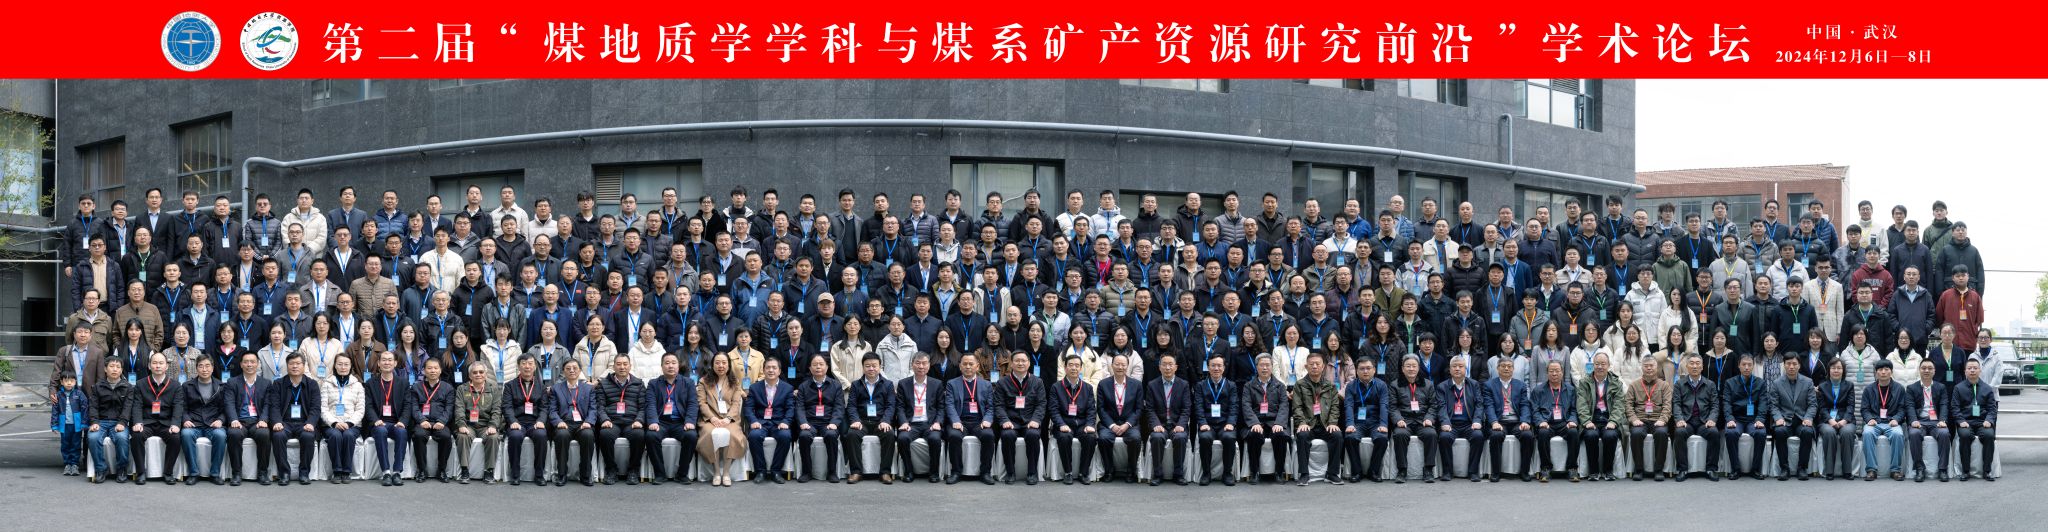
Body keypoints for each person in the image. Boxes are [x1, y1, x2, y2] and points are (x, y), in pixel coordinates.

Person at [127, 351, 184, 485]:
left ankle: (168, 473)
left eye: (161, 363)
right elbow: (137, 405)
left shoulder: (175, 385)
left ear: (166, 366)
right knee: (136, 436)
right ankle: (141, 472)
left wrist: (175, 424)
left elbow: (178, 406)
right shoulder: (140, 384)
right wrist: (138, 422)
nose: (158, 366)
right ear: (149, 365)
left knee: (175, 438)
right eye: (154, 363)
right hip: (147, 422)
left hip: (166, 423)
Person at [642, 352, 699, 485]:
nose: (670, 366)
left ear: (678, 366)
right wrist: (653, 421)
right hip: (661, 422)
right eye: (667, 363)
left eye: (673, 363)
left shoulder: (688, 383)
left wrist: (689, 421)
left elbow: (693, 404)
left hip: (680, 422)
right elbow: (650, 404)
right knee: (651, 436)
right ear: (662, 366)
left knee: (691, 436)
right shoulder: (654, 383)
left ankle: (682, 474)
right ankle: (660, 474)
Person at [266, 353, 321, 485]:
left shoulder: (312, 384)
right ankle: (284, 473)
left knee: (308, 436)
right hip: (285, 423)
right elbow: (274, 407)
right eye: (291, 364)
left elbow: (315, 408)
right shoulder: (278, 384)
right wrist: (277, 422)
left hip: (304, 423)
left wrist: (310, 423)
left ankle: (304, 472)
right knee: (278, 435)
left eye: (298, 363)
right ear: (287, 366)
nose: (294, 366)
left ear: (304, 366)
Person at [842, 353, 898, 484]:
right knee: (852, 434)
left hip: (880, 421)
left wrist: (886, 421)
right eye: (867, 366)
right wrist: (855, 420)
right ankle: (856, 472)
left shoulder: (888, 384)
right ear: (862, 367)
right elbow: (851, 406)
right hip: (862, 421)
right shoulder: (856, 384)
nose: (871, 368)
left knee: (889, 434)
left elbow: (891, 405)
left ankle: (885, 472)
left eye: (874, 365)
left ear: (880, 367)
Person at [360, 350, 412, 486]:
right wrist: (375, 420)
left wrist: (402, 421)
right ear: (378, 363)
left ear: (395, 363)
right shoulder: (371, 383)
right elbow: (368, 406)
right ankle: (386, 472)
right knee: (381, 431)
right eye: (383, 360)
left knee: (402, 432)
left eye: (390, 360)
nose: (387, 362)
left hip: (396, 422)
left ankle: (397, 472)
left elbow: (407, 405)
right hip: (379, 422)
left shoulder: (403, 383)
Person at [593, 353, 646, 485]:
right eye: (619, 364)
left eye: (625, 364)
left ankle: (633, 470)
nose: (622, 367)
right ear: (613, 367)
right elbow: (599, 406)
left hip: (632, 422)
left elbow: (643, 407)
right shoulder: (604, 384)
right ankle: (611, 469)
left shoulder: (639, 384)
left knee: (639, 435)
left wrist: (639, 420)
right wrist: (604, 419)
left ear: (630, 366)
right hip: (612, 421)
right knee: (605, 434)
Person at [1432, 356, 1486, 482]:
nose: (1457, 369)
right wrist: (1445, 422)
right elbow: (1441, 407)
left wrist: (1477, 421)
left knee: (1478, 436)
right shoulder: (1442, 387)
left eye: (1461, 366)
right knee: (1444, 437)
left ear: (1466, 369)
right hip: (1451, 424)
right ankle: (1447, 471)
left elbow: (1479, 404)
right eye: (1454, 366)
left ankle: (1473, 471)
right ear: (1449, 369)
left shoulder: (1473, 384)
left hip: (1469, 424)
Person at [177, 355, 228, 485]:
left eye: (207, 366)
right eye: (201, 366)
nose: (204, 369)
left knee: (221, 435)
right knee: (186, 434)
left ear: (212, 368)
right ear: (196, 369)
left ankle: (215, 473)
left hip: (213, 423)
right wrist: (185, 419)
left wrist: (220, 420)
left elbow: (225, 408)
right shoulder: (187, 386)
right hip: (194, 423)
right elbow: (182, 407)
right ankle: (193, 473)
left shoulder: (221, 386)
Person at [792, 353, 844, 483]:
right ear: (810, 368)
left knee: (831, 435)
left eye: (821, 364)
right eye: (815, 365)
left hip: (828, 422)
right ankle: (806, 472)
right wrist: (803, 422)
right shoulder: (804, 386)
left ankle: (832, 472)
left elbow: (839, 407)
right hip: (810, 422)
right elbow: (799, 407)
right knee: (804, 436)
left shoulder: (836, 385)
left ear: (827, 367)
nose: (818, 367)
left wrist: (834, 423)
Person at [896, 353, 947, 483]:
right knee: (902, 438)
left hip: (930, 424)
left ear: (929, 366)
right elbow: (900, 407)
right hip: (911, 424)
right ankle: (908, 471)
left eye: (924, 363)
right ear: (912, 365)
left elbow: (941, 407)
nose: (921, 366)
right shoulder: (903, 384)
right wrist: (903, 422)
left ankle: (934, 472)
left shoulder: (937, 384)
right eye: (918, 363)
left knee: (935, 438)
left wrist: (938, 422)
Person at [546, 357, 596, 486]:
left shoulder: (588, 388)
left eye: (575, 368)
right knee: (561, 435)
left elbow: (593, 409)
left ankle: (585, 475)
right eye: (568, 368)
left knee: (588, 435)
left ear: (580, 371)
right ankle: (562, 474)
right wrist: (558, 422)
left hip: (582, 423)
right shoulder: (556, 388)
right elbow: (552, 410)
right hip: (564, 423)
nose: (572, 371)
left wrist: (588, 422)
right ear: (563, 371)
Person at [1239, 353, 1288, 485]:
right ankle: (1254, 472)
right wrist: (1254, 423)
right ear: (1257, 367)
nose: (1265, 368)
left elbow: (1284, 406)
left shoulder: (1280, 386)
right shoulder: (1249, 386)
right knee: (1254, 435)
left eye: (1267, 365)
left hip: (1274, 422)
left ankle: (1279, 472)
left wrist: (1279, 423)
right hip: (1257, 421)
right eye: (1262, 365)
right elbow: (1246, 406)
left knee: (1280, 435)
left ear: (1272, 367)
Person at [223, 351, 271, 485]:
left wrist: (263, 419)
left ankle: (263, 473)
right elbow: (229, 403)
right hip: (240, 421)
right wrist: (233, 419)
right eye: (246, 362)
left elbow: (268, 404)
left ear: (258, 364)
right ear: (241, 364)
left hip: (257, 422)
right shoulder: (232, 382)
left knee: (264, 434)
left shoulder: (266, 383)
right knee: (233, 434)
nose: (249, 364)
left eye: (252, 362)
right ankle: (236, 473)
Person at [1095, 353, 1144, 484]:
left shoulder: (1136, 385)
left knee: (1135, 438)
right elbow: (1101, 408)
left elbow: (1139, 409)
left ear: (1128, 366)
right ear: (1112, 365)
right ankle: (1109, 470)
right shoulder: (1103, 384)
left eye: (1123, 364)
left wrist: (1127, 424)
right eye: (1117, 364)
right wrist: (1112, 425)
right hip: (1109, 423)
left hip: (1129, 424)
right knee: (1103, 438)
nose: (1120, 367)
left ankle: (1131, 471)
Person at [1574, 353, 1623, 481]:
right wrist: (1586, 421)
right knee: (1590, 435)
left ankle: (1608, 471)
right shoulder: (1584, 382)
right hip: (1592, 418)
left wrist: (1613, 421)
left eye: (1603, 364)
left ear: (1609, 365)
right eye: (1597, 364)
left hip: (1608, 418)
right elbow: (1581, 404)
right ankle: (1593, 471)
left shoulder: (1616, 383)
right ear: (1593, 365)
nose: (1600, 367)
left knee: (1610, 435)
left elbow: (1619, 405)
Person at [1529, 359, 1580, 482]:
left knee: (1573, 432)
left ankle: (1572, 468)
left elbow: (1574, 409)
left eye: (1557, 370)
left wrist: (1572, 420)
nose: (1554, 373)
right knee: (1542, 433)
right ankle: (1545, 468)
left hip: (1564, 422)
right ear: (1547, 373)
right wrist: (1541, 421)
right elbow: (1535, 410)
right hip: (1547, 423)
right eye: (1551, 371)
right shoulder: (1538, 390)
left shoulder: (1571, 390)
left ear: (1562, 372)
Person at [501, 354, 548, 486]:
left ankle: (539, 475)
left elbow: (544, 407)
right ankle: (515, 474)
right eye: (524, 363)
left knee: (541, 435)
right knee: (515, 436)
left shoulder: (541, 386)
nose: (527, 366)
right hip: (517, 421)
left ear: (535, 366)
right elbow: (507, 406)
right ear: (518, 366)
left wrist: (541, 421)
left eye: (530, 363)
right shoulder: (510, 386)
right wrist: (512, 421)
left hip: (535, 422)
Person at [1145, 353, 1192, 486]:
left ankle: (1178, 474)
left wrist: (1181, 424)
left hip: (1177, 424)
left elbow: (1186, 408)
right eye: (1164, 364)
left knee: (1180, 437)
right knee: (1156, 437)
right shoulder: (1152, 385)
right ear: (1159, 367)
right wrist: (1155, 424)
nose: (1167, 368)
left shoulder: (1183, 385)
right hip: (1160, 424)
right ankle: (1158, 474)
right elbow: (1150, 409)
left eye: (1170, 364)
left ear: (1176, 367)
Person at [1389, 355, 1437, 482]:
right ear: (1402, 369)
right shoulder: (1395, 385)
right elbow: (1392, 406)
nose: (1411, 369)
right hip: (1404, 420)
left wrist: (1429, 418)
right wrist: (1398, 419)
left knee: (1431, 434)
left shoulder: (1428, 384)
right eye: (1408, 366)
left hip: (1422, 420)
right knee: (1400, 434)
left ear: (1418, 368)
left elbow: (1433, 405)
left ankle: (1428, 469)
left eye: (1414, 366)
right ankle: (1402, 470)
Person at [743, 356, 791, 483]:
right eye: (768, 367)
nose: (771, 370)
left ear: (779, 371)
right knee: (754, 436)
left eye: (774, 368)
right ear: (763, 370)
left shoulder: (787, 388)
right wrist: (753, 421)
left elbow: (790, 408)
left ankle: (776, 471)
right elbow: (748, 408)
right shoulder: (754, 388)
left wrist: (785, 421)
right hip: (761, 422)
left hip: (779, 423)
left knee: (785, 436)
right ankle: (760, 471)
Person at [1719, 356, 1768, 480]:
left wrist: (1760, 419)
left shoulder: (1760, 383)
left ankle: (1755, 469)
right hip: (1736, 419)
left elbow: (1763, 403)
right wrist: (1730, 419)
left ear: (1753, 366)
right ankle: (1735, 469)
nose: (1746, 367)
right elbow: (1726, 403)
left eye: (1749, 365)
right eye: (1744, 364)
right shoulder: (1730, 383)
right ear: (1739, 366)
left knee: (1761, 433)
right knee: (1731, 433)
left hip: (1753, 419)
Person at [1191, 355, 1238, 485]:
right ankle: (1206, 473)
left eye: (1219, 365)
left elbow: (1234, 407)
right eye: (1213, 365)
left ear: (1224, 367)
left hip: (1225, 424)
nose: (1216, 368)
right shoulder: (1201, 385)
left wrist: (1230, 423)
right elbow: (1198, 406)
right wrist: (1202, 423)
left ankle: (1227, 473)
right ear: (1208, 367)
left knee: (1229, 437)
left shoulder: (1231, 385)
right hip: (1208, 424)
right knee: (1205, 437)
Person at [1769, 354, 1817, 481]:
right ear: (1784, 365)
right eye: (1788, 364)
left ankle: (1802, 468)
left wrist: (1808, 418)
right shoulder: (1777, 383)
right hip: (1785, 420)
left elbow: (1812, 404)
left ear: (1799, 365)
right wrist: (1778, 418)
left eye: (1794, 364)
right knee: (1779, 431)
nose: (1791, 367)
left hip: (1802, 420)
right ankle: (1784, 468)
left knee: (1807, 432)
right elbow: (1773, 405)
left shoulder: (1808, 382)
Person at [452, 361, 502, 484]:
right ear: (470, 375)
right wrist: (461, 424)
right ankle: (464, 470)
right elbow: (459, 409)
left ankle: (489, 471)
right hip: (469, 425)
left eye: (481, 372)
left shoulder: (494, 389)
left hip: (486, 425)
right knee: (462, 436)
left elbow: (497, 410)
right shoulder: (462, 389)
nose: (478, 374)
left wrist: (493, 425)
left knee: (493, 437)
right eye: (474, 372)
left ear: (485, 374)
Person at [1860, 359, 1909, 481]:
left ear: (1891, 372)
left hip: (1891, 422)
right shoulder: (1869, 389)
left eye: (1886, 369)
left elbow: (1902, 409)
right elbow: (1864, 409)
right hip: (1874, 422)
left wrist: (1896, 419)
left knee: (1898, 434)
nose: (1883, 372)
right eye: (1880, 369)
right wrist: (1869, 419)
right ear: (1876, 372)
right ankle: (1871, 470)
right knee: (1867, 433)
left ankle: (1895, 470)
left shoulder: (1899, 389)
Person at [320, 354, 364, 484]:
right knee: (335, 435)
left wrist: (349, 423)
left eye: (346, 364)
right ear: (335, 365)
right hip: (331, 424)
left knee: (349, 435)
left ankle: (346, 471)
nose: (343, 367)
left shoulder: (357, 385)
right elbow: (323, 408)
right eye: (340, 364)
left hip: (352, 424)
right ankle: (337, 471)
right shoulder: (327, 384)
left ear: (351, 366)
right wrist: (334, 423)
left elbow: (360, 409)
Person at [1905, 359, 1951, 482]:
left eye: (1930, 368)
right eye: (1923, 368)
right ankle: (1919, 469)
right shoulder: (1911, 388)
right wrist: (1913, 420)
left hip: (1936, 421)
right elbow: (1909, 406)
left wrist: (1943, 420)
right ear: (1919, 370)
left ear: (1934, 371)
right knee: (1914, 433)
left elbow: (1944, 404)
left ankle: (1942, 469)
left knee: (1944, 433)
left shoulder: (1941, 387)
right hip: (1920, 421)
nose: (1926, 370)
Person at [1813, 359, 1858, 480]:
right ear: (1829, 370)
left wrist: (1845, 420)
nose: (1836, 370)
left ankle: (1847, 471)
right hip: (1826, 420)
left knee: (1847, 432)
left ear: (1843, 370)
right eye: (1833, 368)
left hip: (1846, 419)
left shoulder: (1849, 385)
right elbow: (1822, 408)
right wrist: (1830, 420)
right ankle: (1829, 471)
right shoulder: (1822, 386)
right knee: (1829, 432)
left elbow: (1851, 406)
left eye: (1839, 368)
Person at [1954, 357, 1997, 481]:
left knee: (1989, 435)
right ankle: (1965, 471)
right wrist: (1961, 421)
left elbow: (1992, 408)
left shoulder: (1987, 388)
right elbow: (1955, 408)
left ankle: (1987, 471)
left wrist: (1989, 420)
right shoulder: (1958, 388)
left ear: (1980, 370)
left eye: (1975, 368)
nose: (1972, 370)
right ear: (1965, 371)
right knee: (1965, 436)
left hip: (1983, 422)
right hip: (1966, 422)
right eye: (1969, 368)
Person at [51, 367, 89, 479]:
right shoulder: (58, 395)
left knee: (76, 445)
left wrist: (84, 423)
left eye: (71, 381)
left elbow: (85, 409)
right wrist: (54, 425)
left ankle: (75, 464)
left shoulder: (79, 394)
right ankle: (67, 464)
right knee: (65, 445)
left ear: (75, 382)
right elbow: (55, 411)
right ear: (61, 382)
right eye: (66, 381)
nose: (69, 383)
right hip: (64, 426)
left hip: (76, 426)